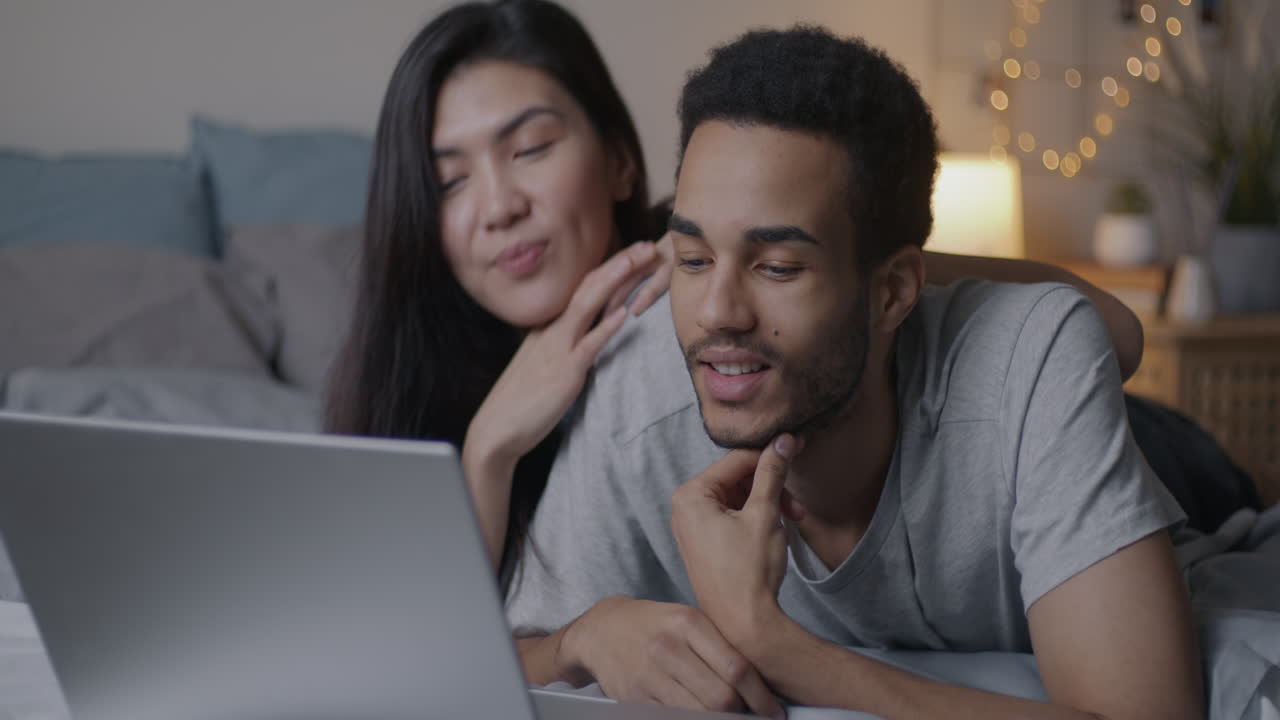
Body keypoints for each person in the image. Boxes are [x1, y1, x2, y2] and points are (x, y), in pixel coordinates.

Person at [325, 0, 1146, 593]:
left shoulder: (714, 285)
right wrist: (489, 451)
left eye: (531, 147)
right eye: (450, 180)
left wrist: (840, 262)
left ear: (618, 161)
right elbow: (429, 659)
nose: (499, 204)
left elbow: (1117, 334)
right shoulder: (411, 384)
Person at [506, 26, 1203, 720]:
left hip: (1169, 462)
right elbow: (515, 652)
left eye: (777, 266)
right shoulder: (634, 381)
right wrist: (583, 638)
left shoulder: (1033, 358)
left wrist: (780, 650)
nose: (716, 313)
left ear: (895, 291)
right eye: (691, 258)